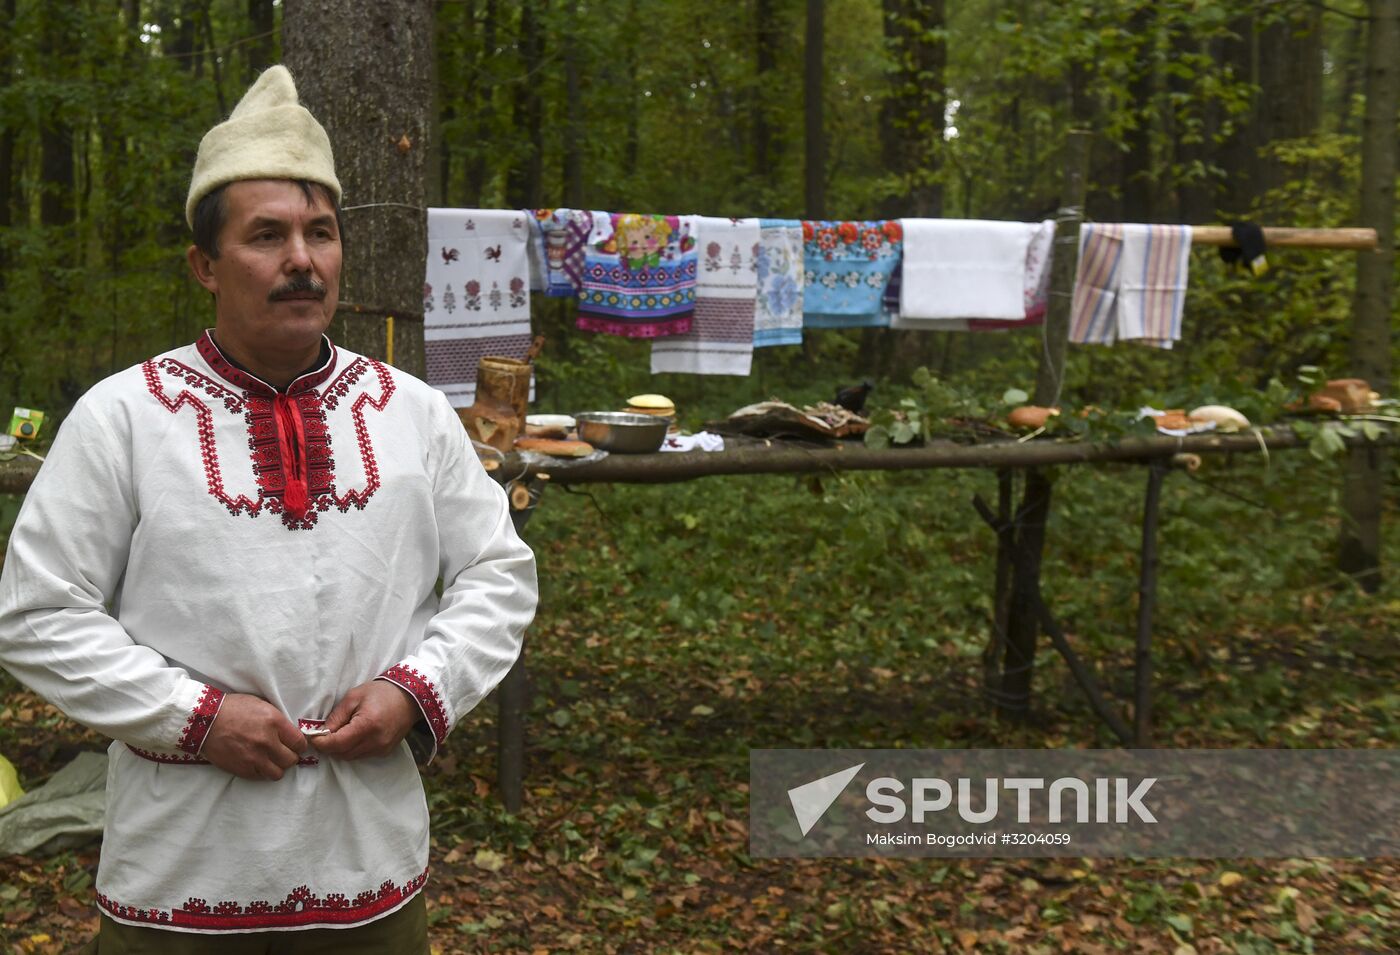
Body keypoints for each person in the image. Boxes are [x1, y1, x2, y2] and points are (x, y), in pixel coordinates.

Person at [0, 66, 537, 952]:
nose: (301, 259)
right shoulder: (124, 415)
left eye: (319, 233)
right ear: (204, 266)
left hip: (370, 872)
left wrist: (416, 691)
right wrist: (196, 717)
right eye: (267, 236)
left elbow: (499, 572)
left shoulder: (410, 411)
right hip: (181, 874)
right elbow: (36, 613)